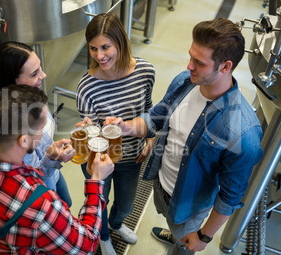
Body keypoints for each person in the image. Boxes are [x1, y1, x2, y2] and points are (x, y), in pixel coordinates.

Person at [105, 18, 263, 254]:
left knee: (185, 244)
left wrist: (203, 236)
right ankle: (176, 233)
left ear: (225, 66)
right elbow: (156, 117)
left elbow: (230, 197)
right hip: (161, 186)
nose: (189, 66)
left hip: (188, 208)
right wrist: (126, 127)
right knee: (174, 226)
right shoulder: (184, 82)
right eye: (190, 56)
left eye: (199, 62)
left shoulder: (243, 131)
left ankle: (181, 241)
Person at [0, 84, 114, 254]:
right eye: (41, 129)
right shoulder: (42, 206)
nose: (43, 134)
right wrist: (96, 180)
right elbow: (86, 245)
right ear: (23, 140)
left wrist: (49, 159)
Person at [76, 12, 155, 255]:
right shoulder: (87, 87)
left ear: (120, 41)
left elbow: (149, 110)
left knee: (126, 205)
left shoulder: (145, 72)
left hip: (132, 156)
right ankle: (104, 236)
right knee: (100, 201)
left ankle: (116, 224)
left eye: (106, 47)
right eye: (93, 48)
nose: (99, 56)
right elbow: (90, 133)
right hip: (100, 159)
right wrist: (88, 131)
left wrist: (150, 138)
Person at [0, 41, 72, 207]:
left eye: (40, 68)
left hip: (52, 170)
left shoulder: (31, 96)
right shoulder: (13, 127)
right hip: (42, 184)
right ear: (13, 80)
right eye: (35, 73)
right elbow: (33, 177)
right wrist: (51, 157)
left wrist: (52, 150)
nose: (43, 75)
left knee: (67, 203)